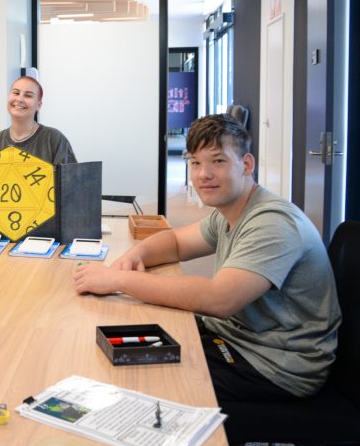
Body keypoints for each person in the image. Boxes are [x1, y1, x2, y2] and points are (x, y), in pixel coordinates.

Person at [73, 114, 340, 415]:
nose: (203, 174)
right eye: (195, 163)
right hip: (239, 335)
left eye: (218, 161)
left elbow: (220, 299)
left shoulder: (273, 223)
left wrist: (119, 281)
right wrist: (133, 258)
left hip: (275, 362)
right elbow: (175, 243)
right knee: (125, 341)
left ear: (247, 165)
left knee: (141, 383)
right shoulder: (229, 211)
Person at [0, 75, 76, 164]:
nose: (19, 99)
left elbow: (70, 181)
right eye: (16, 93)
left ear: (38, 105)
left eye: (28, 95)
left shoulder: (54, 139)